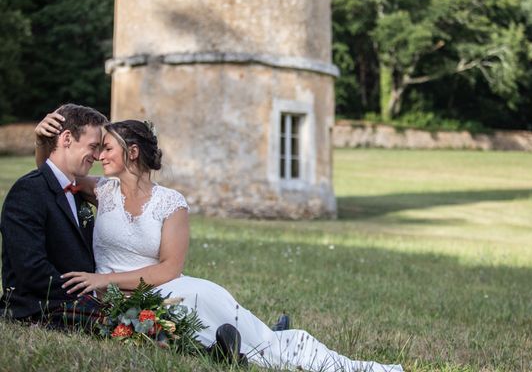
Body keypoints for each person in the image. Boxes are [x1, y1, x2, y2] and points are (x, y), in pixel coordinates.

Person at [34, 113, 403, 372]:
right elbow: (46, 179)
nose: (99, 156)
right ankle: (234, 348)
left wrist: (102, 280)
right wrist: (42, 140)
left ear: (131, 152)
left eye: (108, 149)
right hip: (115, 301)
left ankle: (269, 344)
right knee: (166, 328)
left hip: (163, 288)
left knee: (213, 311)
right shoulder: (101, 191)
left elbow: (169, 268)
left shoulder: (171, 203)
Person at [0, 104, 108, 326]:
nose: (97, 156)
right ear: (66, 138)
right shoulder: (28, 191)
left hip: (74, 301)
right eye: (93, 146)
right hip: (39, 307)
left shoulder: (77, 192)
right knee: (127, 325)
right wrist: (91, 298)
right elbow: (32, 270)